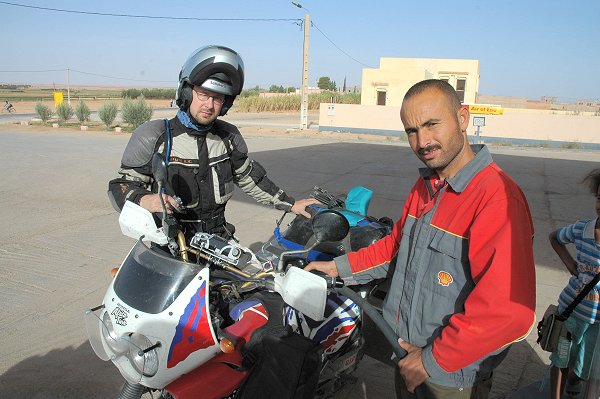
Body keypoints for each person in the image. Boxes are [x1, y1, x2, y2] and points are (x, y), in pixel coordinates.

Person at [306, 79, 536, 398]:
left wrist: (431, 361)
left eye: (431, 125)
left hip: (451, 375)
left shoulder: (496, 198)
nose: (422, 141)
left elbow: (509, 310)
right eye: (411, 131)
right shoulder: (427, 186)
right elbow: (395, 248)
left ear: (463, 118)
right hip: (407, 354)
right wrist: (336, 268)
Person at [108, 45, 317, 240]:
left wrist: (291, 204)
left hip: (218, 240)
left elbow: (250, 179)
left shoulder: (228, 137)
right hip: (172, 242)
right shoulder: (156, 136)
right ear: (187, 92)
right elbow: (122, 186)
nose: (209, 104)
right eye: (204, 94)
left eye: (218, 98)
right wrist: (146, 200)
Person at [548, 168, 600, 399]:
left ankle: (574, 380)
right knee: (560, 359)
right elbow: (555, 238)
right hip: (571, 311)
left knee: (587, 367)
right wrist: (571, 266)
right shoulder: (582, 229)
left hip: (596, 323)